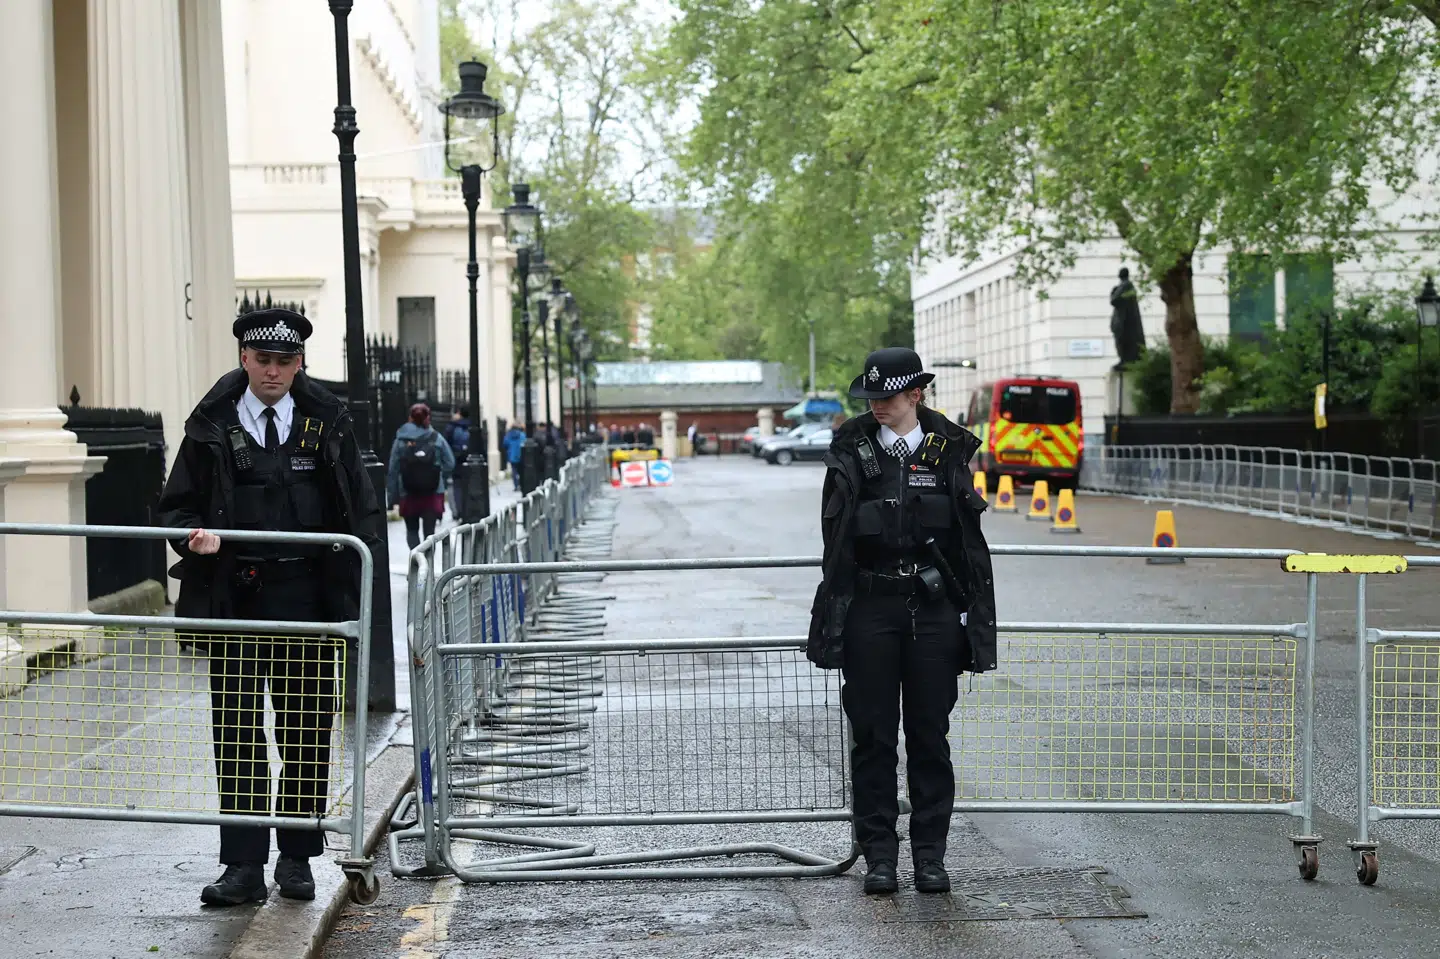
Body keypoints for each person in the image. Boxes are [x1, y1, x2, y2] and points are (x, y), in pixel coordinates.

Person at [158, 307, 383, 907]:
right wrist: (193, 536)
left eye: (285, 361)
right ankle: (241, 867)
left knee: (306, 731)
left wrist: (358, 592)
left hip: (309, 601)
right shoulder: (211, 423)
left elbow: (360, 509)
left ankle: (297, 858)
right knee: (237, 734)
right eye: (264, 360)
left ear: (300, 363)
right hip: (235, 597)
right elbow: (175, 508)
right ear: (244, 359)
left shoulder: (328, 422)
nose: (274, 371)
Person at [807, 347, 997, 897]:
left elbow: (967, 543)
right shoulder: (852, 451)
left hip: (933, 612)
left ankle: (931, 859)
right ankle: (879, 859)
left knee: (929, 737)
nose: (878, 407)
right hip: (871, 608)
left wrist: (971, 616)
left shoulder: (948, 452)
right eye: (871, 398)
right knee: (871, 737)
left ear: (917, 394)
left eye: (888, 397)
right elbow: (834, 540)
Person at [387, 403, 455, 550]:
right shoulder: (436, 438)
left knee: (412, 531)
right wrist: (439, 477)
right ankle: (427, 566)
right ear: (428, 417)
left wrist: (392, 498)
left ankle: (416, 565)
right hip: (432, 492)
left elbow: (393, 469)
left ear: (410, 417)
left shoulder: (400, 440)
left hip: (408, 491)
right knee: (430, 534)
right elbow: (450, 462)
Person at [1110, 267, 1145, 367]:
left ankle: (1125, 360)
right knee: (1122, 340)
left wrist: (1114, 292)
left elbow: (1114, 300)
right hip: (1123, 320)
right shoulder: (1125, 286)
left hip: (1124, 321)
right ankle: (1125, 359)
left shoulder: (1126, 285)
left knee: (1123, 340)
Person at [443, 407, 473, 519]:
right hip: (470, 460)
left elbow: (447, 445)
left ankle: (459, 511)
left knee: (457, 487)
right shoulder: (472, 426)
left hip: (456, 460)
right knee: (468, 485)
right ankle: (468, 509)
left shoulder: (452, 427)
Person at [503, 423, 527, 490]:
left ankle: (516, 485)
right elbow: (525, 443)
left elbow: (505, 444)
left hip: (512, 455)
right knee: (521, 471)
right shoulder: (522, 435)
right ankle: (521, 484)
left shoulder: (508, 435)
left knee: (514, 471)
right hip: (520, 455)